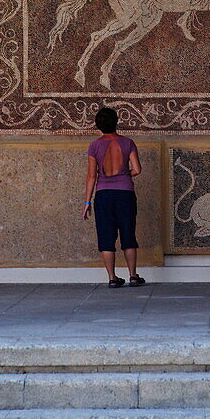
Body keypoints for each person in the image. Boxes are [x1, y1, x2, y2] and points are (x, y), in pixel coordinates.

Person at [83, 106, 146, 288]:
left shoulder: (94, 145)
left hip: (103, 195)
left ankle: (112, 278)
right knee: (128, 234)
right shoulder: (128, 143)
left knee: (106, 237)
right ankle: (133, 276)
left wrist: (87, 201)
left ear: (98, 126)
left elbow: (92, 176)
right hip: (125, 193)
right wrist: (125, 175)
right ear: (116, 122)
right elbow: (137, 169)